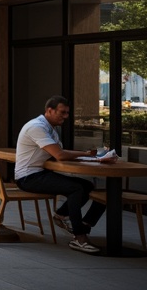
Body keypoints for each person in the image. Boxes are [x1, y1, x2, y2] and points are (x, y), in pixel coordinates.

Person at [14, 95, 115, 254]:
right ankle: (79, 238)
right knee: (76, 189)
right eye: (62, 112)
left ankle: (64, 217)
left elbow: (57, 153)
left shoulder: (51, 128)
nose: (66, 116)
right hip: (28, 177)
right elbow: (59, 155)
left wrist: (93, 156)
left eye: (67, 113)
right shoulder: (36, 127)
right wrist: (89, 155)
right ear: (49, 110)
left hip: (41, 173)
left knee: (87, 185)